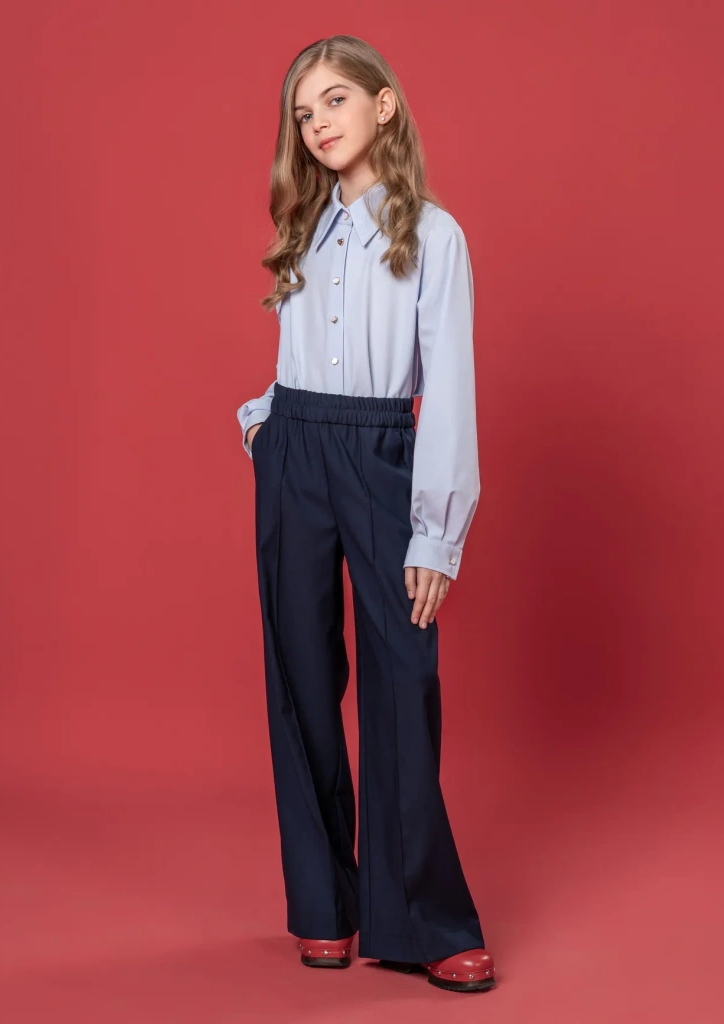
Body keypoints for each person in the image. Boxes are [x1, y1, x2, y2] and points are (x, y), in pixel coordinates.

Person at [236, 35, 495, 994]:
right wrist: (266, 424)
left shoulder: (433, 234)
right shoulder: (303, 229)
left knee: (401, 679)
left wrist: (437, 531)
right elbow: (297, 353)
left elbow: (450, 388)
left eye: (335, 100)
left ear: (383, 105)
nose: (318, 123)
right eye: (304, 113)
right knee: (300, 675)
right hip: (297, 453)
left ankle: (421, 918)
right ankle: (325, 907)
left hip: (385, 452)